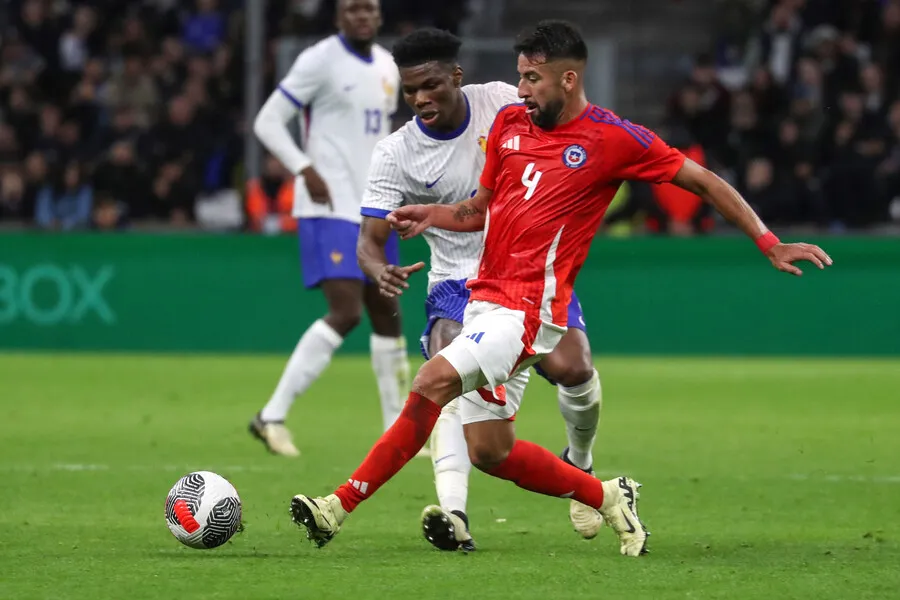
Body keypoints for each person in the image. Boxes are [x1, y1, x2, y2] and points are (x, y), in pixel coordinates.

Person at [289, 20, 832, 557]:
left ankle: (337, 506)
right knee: (490, 452)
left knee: (434, 380)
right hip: (483, 300)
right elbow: (481, 209)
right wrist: (431, 214)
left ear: (568, 79)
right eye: (520, 76)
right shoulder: (509, 124)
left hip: (530, 310)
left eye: (532, 78)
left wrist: (768, 242)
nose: (521, 90)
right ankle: (608, 496)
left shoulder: (614, 138)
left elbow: (704, 181)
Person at [355, 28, 604, 552]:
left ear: (456, 77)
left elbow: (564, 123)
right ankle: (455, 515)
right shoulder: (395, 153)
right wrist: (379, 270)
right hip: (455, 281)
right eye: (410, 90)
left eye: (431, 85)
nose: (421, 98)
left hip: (530, 269)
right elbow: (369, 242)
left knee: (575, 368)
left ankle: (580, 465)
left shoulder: (502, 102)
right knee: (447, 369)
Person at [250, 0, 409, 456]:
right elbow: (267, 121)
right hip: (329, 204)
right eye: (352, 9)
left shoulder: (387, 66)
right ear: (339, 16)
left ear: (379, 15)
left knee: (388, 314)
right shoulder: (318, 60)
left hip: (375, 208)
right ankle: (271, 416)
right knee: (347, 311)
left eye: (369, 8)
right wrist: (303, 168)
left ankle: (398, 432)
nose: (362, 16)